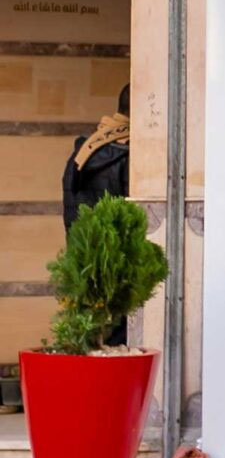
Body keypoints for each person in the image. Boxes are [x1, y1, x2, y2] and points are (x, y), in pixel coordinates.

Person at [61, 86, 134, 347]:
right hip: (122, 274)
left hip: (85, 267)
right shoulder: (134, 156)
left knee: (95, 343)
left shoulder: (84, 151)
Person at [62, 85, 131, 230]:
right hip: (117, 242)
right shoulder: (132, 156)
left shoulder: (84, 150)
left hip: (84, 241)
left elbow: (71, 210)